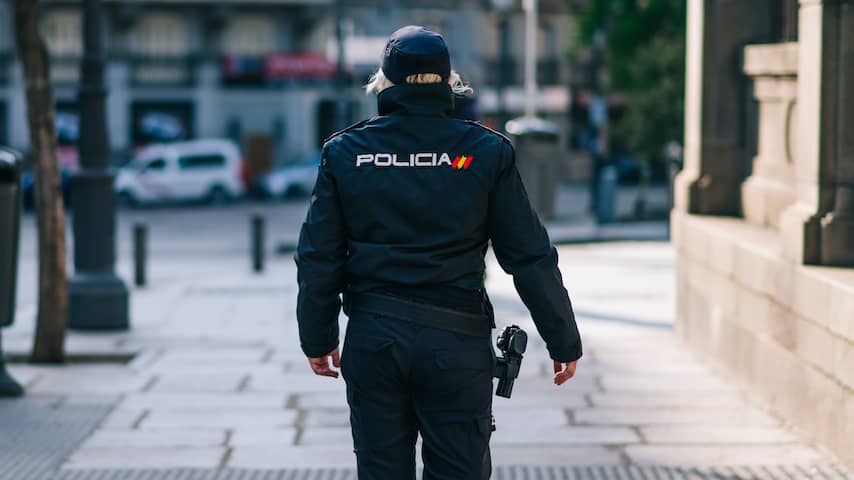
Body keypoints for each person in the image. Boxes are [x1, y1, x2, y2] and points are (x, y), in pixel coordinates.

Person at [296, 25, 582, 480]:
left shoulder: (346, 152)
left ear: (384, 81)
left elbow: (319, 256)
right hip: (456, 344)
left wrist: (318, 336)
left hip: (375, 341)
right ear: (449, 81)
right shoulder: (485, 152)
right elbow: (529, 255)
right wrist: (562, 338)